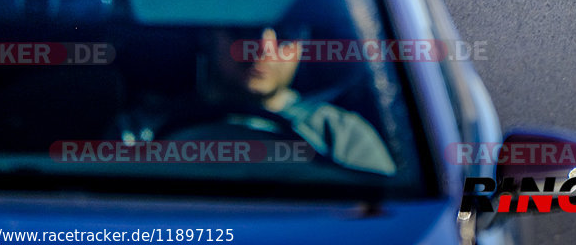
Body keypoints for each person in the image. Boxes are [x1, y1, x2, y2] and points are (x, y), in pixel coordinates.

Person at [118, 22, 397, 176]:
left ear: (303, 44)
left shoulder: (342, 137)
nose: (264, 49)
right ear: (208, 35)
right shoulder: (140, 132)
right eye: (245, 30)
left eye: (285, 35)